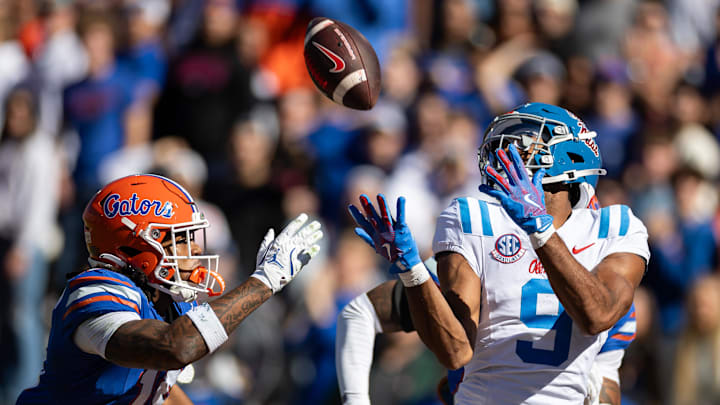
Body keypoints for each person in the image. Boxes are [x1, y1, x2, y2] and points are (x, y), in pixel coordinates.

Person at [345, 102, 649, 404]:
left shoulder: (616, 228)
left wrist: (540, 231)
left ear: (569, 157)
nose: (504, 154)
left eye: (524, 145)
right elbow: (456, 352)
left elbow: (597, 317)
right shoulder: (474, 219)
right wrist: (411, 269)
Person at [17, 174, 323, 404]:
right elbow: (175, 348)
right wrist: (264, 281)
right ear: (134, 246)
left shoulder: (165, 299)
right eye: (180, 239)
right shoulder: (95, 292)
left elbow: (157, 385)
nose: (193, 250)